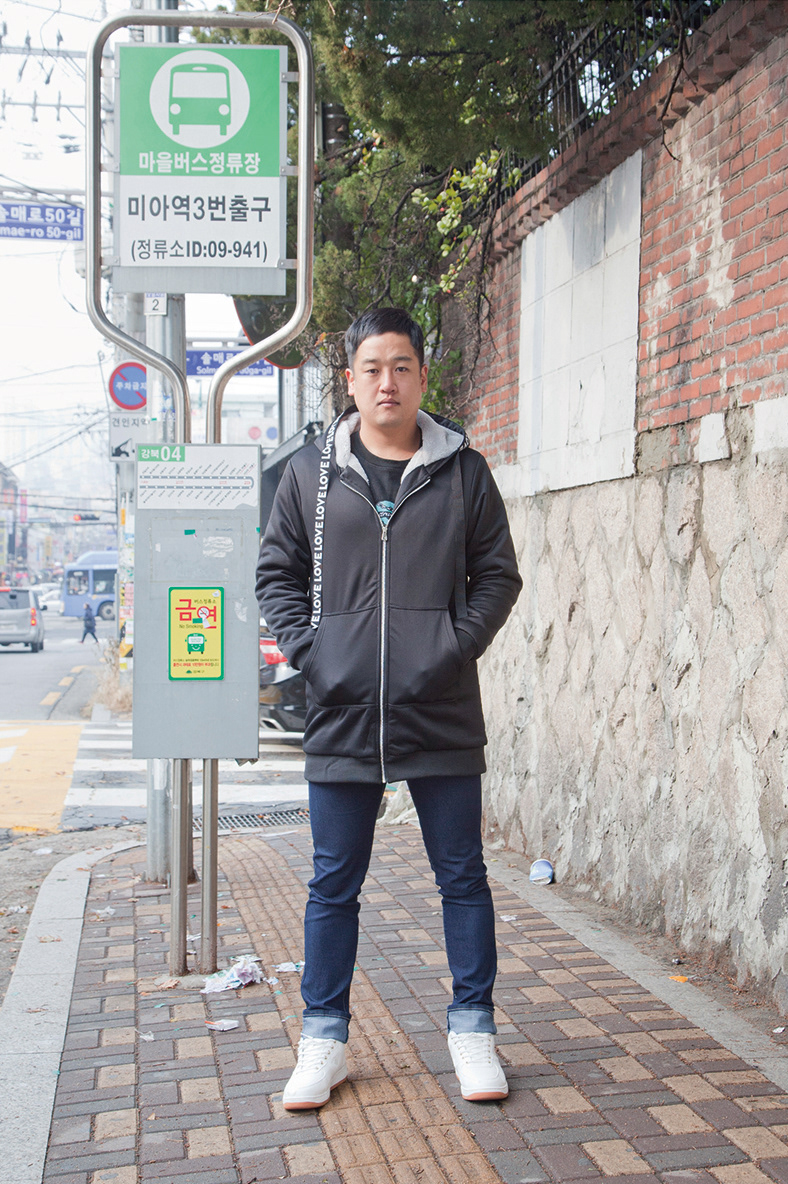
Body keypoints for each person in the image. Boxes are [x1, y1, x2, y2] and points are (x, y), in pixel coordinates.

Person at [256, 307, 522, 1110]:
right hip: (342, 710)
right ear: (350, 380)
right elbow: (276, 573)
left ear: (422, 377)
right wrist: (317, 655)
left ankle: (472, 1030)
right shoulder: (312, 474)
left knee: (462, 876)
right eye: (372, 368)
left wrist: (451, 647)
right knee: (332, 883)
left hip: (439, 705)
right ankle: (324, 1040)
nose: (387, 383)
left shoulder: (462, 472)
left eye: (401, 367)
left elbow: (497, 575)